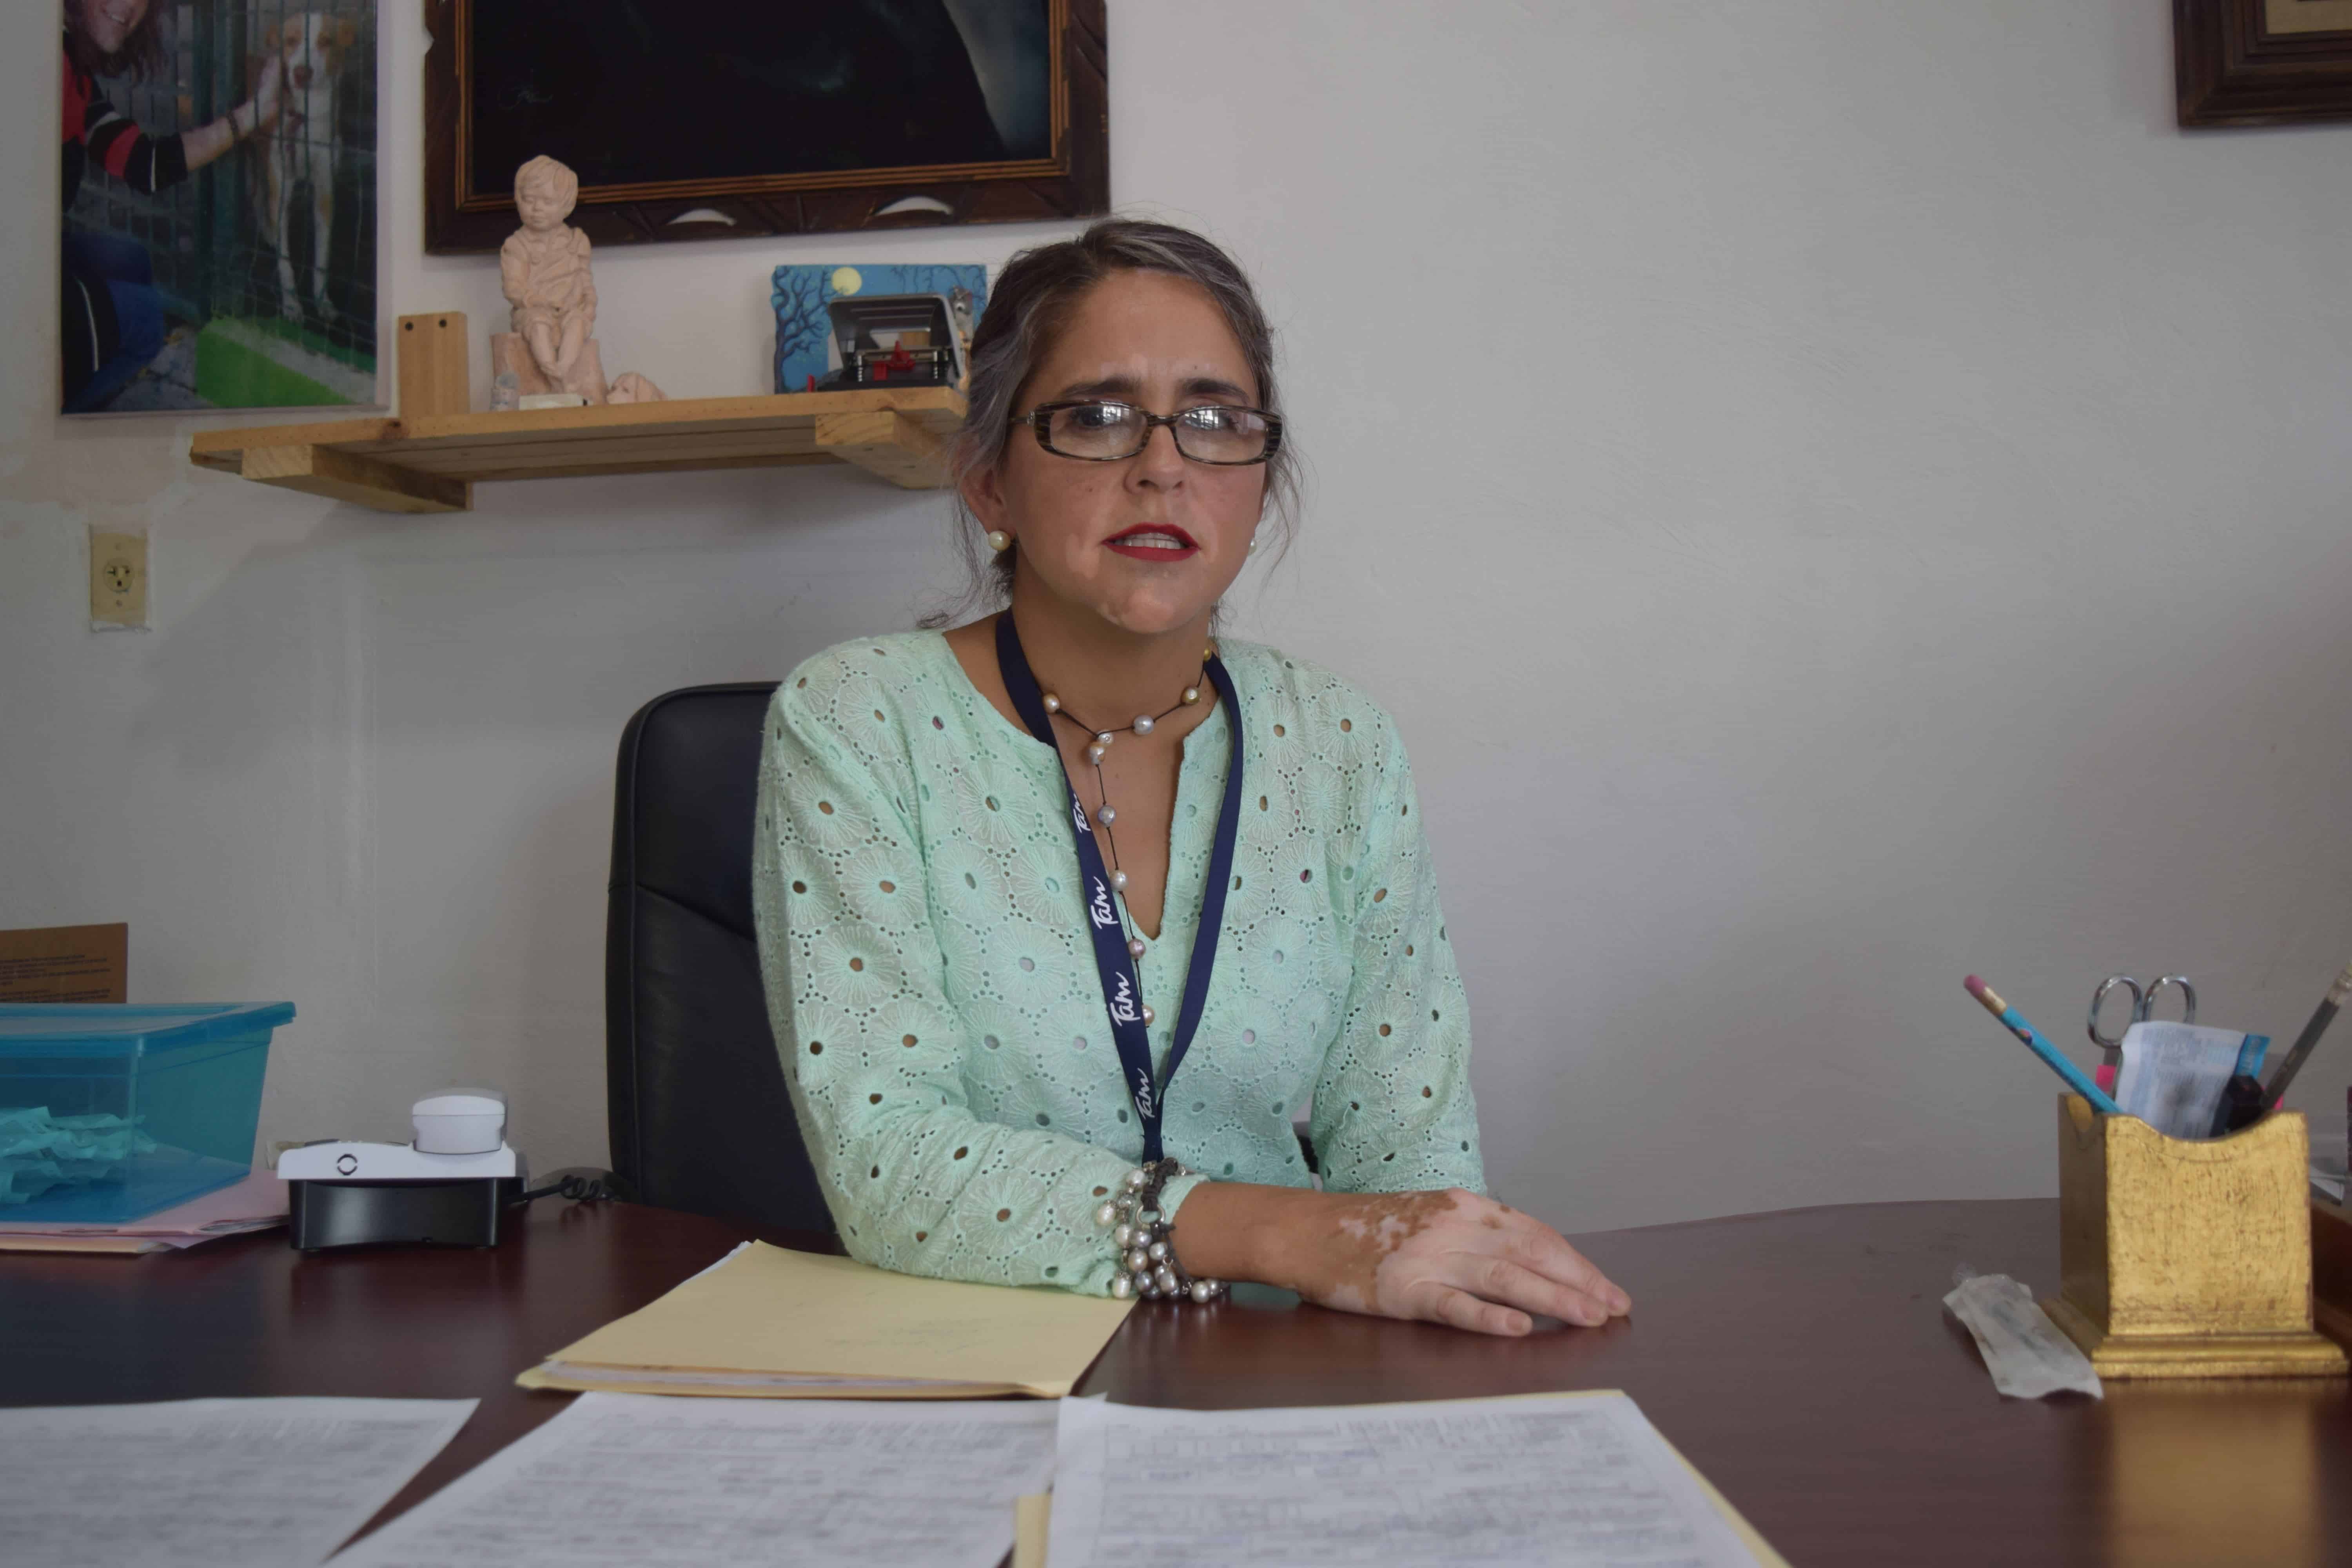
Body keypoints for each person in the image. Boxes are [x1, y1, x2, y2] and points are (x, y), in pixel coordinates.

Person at [753, 220, 1631, 1337]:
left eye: (1216, 421)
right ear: (988, 482)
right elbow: (888, 1163)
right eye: (1095, 416)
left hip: (1289, 1365)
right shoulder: (859, 719)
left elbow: (1411, 1164)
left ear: (1259, 486)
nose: (1162, 465)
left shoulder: (1342, 743)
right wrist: (1280, 1233)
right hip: (970, 1367)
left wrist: (1435, 1272)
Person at [61, 0, 282, 411]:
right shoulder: (45, 64)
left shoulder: (73, 66)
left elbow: (145, 164)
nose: (129, 6)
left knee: (130, 261)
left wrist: (254, 114)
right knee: (145, 322)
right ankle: (43, 426)